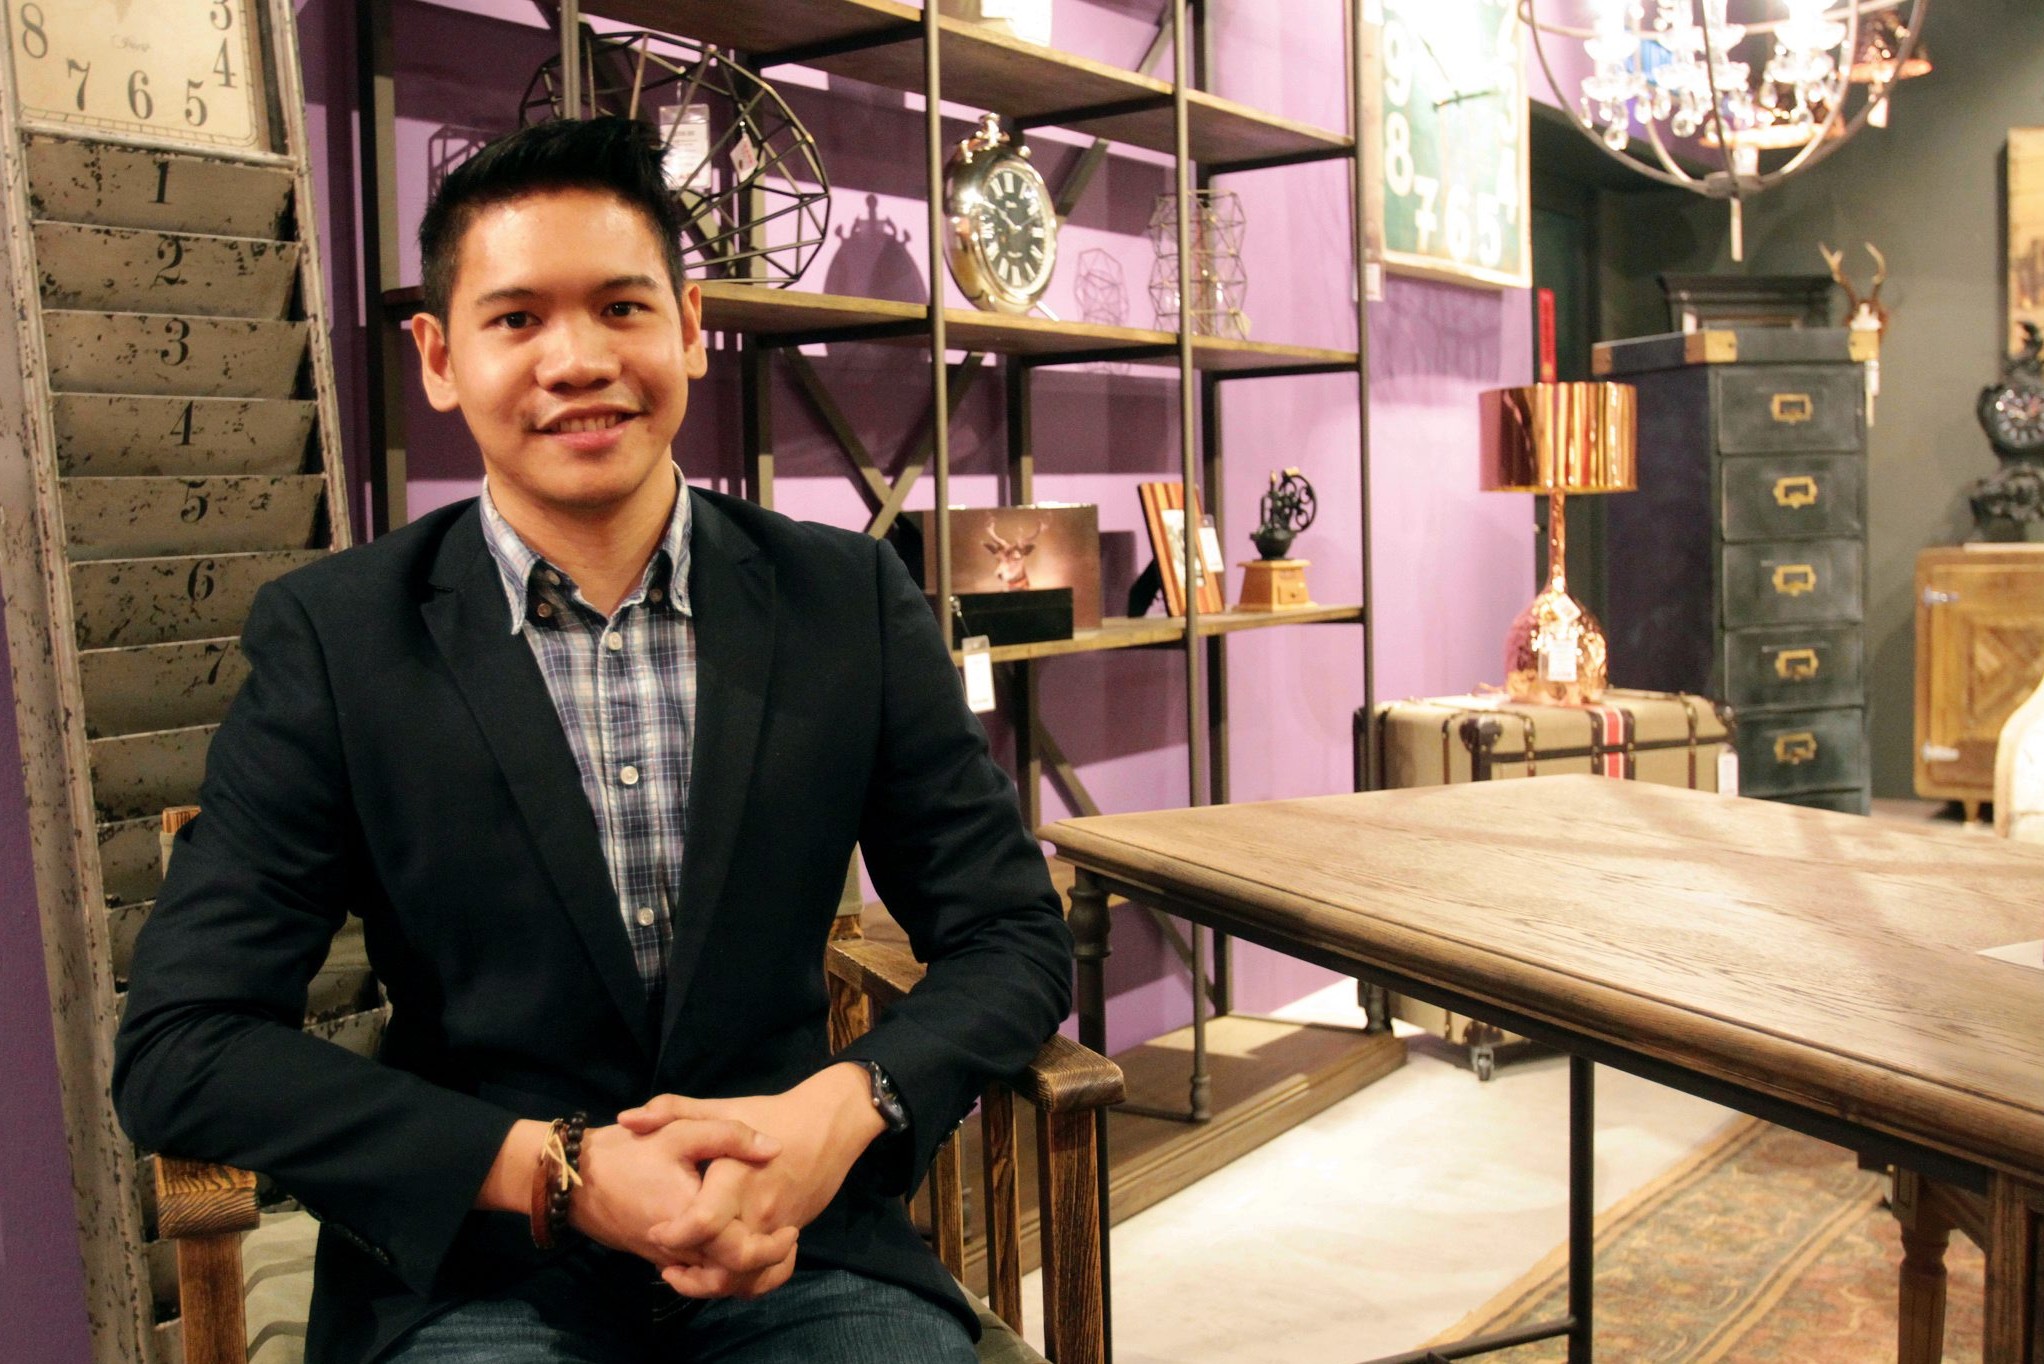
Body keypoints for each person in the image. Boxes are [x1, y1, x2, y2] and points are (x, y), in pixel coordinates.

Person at [113, 116, 1074, 1364]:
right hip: (479, 1266)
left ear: (689, 327)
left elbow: (1009, 932)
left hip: (794, 1240)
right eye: (516, 318)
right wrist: (553, 1169)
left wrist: (847, 1107)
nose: (577, 361)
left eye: (622, 308)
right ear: (439, 356)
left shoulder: (845, 600)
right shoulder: (340, 639)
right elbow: (183, 1044)